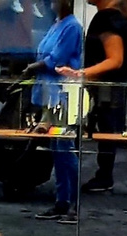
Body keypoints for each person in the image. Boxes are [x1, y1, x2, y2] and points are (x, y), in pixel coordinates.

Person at [58, 0, 127, 193]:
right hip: (113, 86)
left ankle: (103, 176)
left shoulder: (106, 18)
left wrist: (83, 73)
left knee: (103, 130)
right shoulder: (121, 17)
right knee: (105, 131)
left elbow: (115, 59)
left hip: (105, 88)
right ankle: (103, 175)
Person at [28, 0, 84, 222]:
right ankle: (62, 201)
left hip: (62, 94)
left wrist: (33, 67)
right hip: (48, 94)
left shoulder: (72, 26)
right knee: (57, 151)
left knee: (65, 150)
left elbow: (56, 59)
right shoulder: (56, 24)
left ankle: (74, 203)